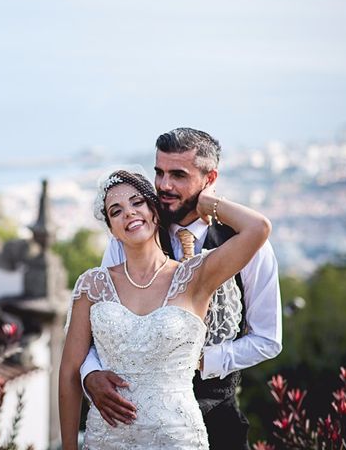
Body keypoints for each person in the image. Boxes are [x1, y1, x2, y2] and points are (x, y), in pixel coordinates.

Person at [80, 128, 282, 449]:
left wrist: (200, 361)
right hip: (134, 418)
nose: (163, 185)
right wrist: (90, 375)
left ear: (209, 178)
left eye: (178, 175)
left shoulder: (247, 246)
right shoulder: (134, 232)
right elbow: (99, 320)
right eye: (159, 172)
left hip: (218, 414)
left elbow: (267, 340)